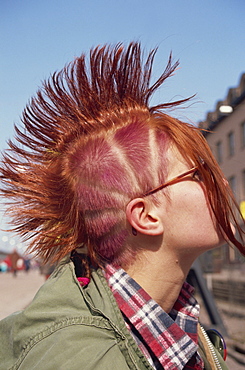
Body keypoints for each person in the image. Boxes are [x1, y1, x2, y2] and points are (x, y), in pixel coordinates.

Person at [0, 42, 244, 370]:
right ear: (145, 215)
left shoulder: (177, 320)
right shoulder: (85, 361)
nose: (222, 183)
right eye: (199, 175)